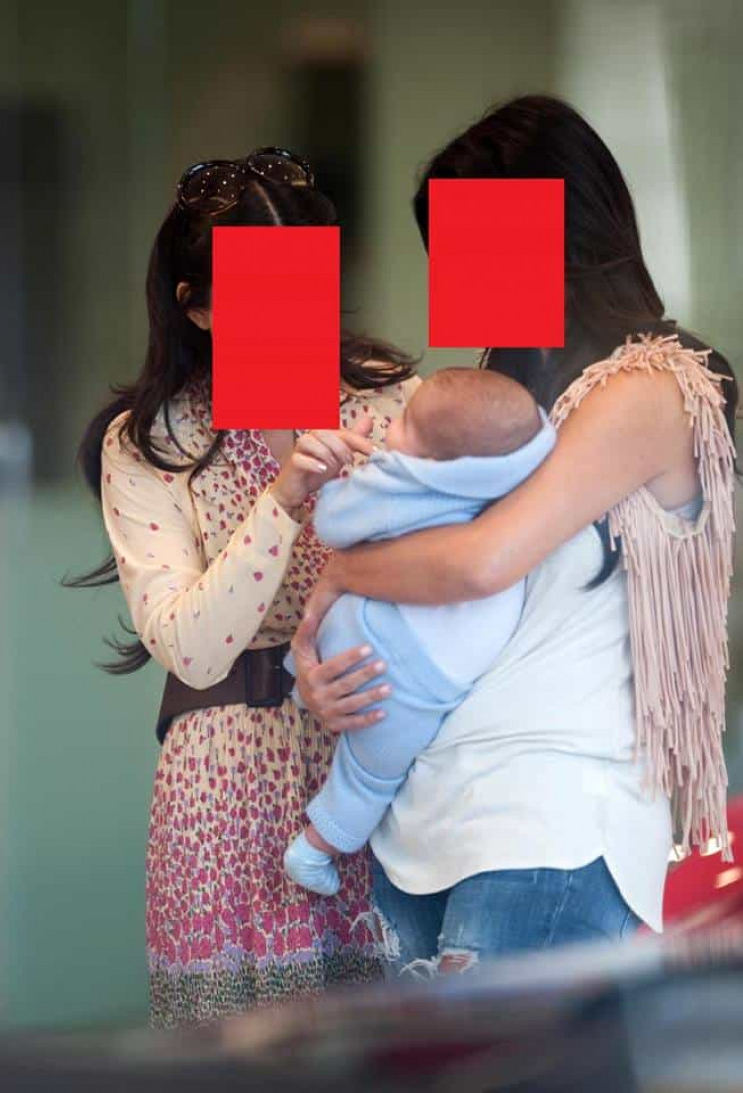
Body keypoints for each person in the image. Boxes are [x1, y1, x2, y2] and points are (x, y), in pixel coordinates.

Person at [289, 96, 738, 974]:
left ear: (556, 230)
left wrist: (342, 573)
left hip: (549, 826)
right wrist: (334, 674)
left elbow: (480, 563)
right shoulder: (499, 405)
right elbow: (437, 598)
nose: (451, 280)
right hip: (424, 824)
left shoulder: (654, 387)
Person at [66, 149, 421, 1025]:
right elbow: (190, 645)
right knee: (232, 1057)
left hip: (374, 756)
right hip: (220, 786)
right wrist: (283, 497)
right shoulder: (152, 440)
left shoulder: (390, 406)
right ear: (198, 305)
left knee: (395, 1042)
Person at [282, 368, 555, 895]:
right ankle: (317, 847)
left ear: (430, 456)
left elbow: (333, 525)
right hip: (415, 663)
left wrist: (340, 484)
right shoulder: (518, 475)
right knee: (370, 774)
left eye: (402, 421)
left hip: (374, 640)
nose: (391, 427)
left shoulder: (402, 479)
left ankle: (315, 835)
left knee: (369, 764)